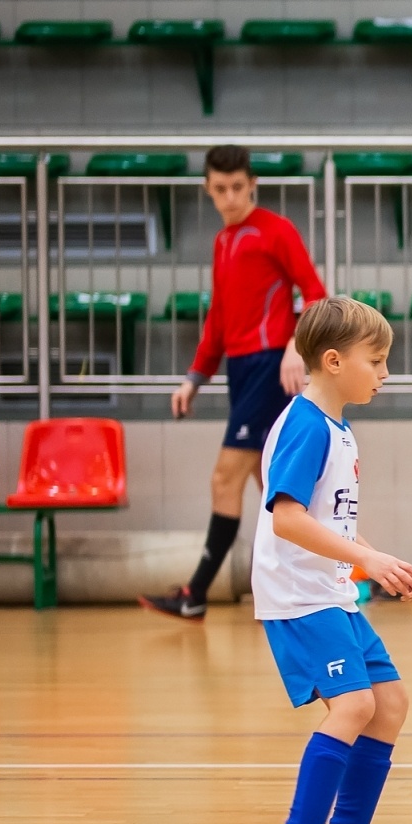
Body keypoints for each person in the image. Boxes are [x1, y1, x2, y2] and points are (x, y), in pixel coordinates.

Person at [253, 296, 412, 824]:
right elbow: (288, 520)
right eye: (375, 361)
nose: (384, 373)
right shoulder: (305, 424)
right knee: (353, 706)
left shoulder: (338, 428)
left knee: (390, 702)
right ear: (332, 361)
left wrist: (377, 558)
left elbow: (332, 525)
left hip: (329, 591)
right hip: (299, 597)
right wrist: (366, 561)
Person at [141, 143, 327, 621]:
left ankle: (196, 593)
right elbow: (219, 320)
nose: (229, 197)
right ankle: (314, 586)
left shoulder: (276, 230)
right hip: (240, 371)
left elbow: (316, 292)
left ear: (252, 185)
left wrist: (294, 348)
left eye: (237, 188)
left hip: (271, 366)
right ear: (207, 188)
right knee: (275, 487)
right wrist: (193, 380)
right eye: (220, 189)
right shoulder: (223, 243)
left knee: (226, 478)